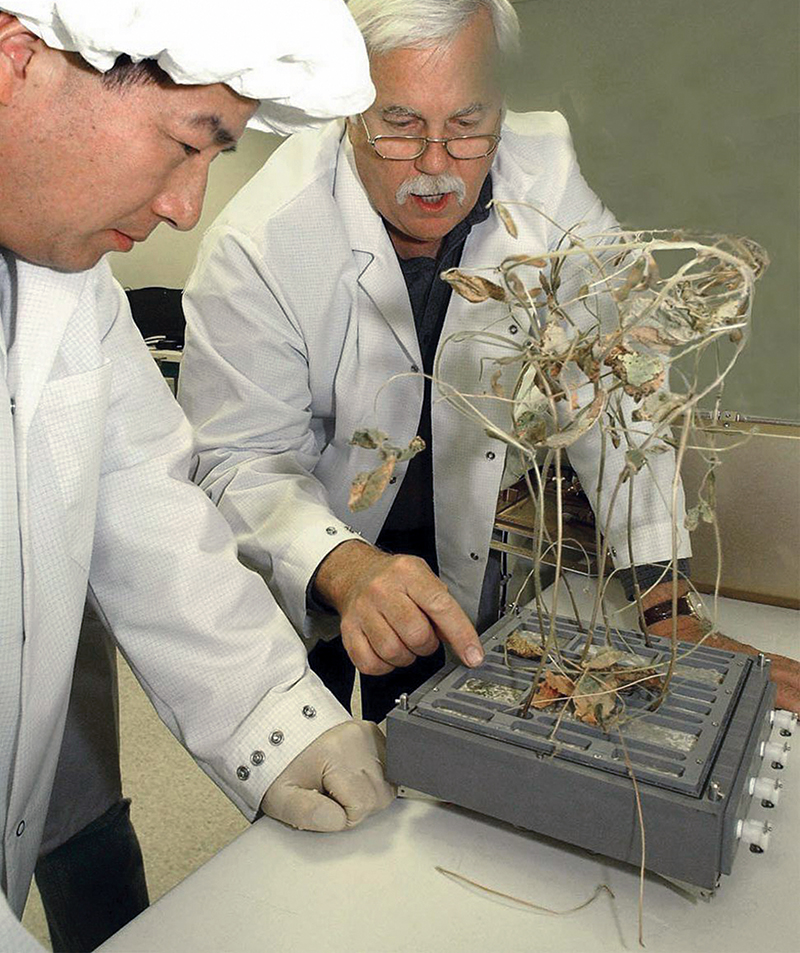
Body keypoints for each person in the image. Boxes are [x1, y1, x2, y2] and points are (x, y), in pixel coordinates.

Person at [179, 0, 800, 721]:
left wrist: (671, 613)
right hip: (307, 542)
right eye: (402, 123)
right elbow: (241, 461)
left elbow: (608, 385)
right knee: (303, 754)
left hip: (451, 526)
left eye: (468, 125)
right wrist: (344, 567)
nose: (436, 166)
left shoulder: (552, 181)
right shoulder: (261, 241)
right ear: (351, 110)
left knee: (427, 733)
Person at [0, 2, 397, 950]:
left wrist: (286, 721)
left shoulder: (64, 278)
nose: (188, 206)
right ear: (16, 59)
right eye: (188, 143)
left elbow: (148, 503)